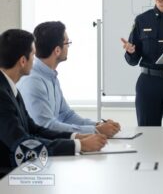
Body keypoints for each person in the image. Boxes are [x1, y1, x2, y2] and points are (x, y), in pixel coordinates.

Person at [0, 29, 107, 177]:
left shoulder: (10, 88)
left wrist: (76, 137)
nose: (35, 59)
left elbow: (35, 130)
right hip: (8, 176)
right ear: (23, 61)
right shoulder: (2, 94)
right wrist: (79, 145)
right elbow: (23, 144)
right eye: (32, 54)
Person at [17, 21, 120, 137]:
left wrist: (98, 125)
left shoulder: (51, 76)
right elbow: (46, 125)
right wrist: (95, 130)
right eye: (67, 43)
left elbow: (66, 115)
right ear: (57, 50)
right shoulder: (32, 81)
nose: (68, 47)